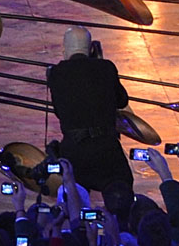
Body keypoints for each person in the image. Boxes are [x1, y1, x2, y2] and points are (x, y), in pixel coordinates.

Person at [45, 26, 131, 194]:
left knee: (75, 196)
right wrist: (100, 62)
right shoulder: (106, 68)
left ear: (65, 48)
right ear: (91, 48)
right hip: (106, 147)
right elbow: (122, 101)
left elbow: (59, 111)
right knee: (122, 190)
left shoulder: (55, 73)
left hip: (74, 150)